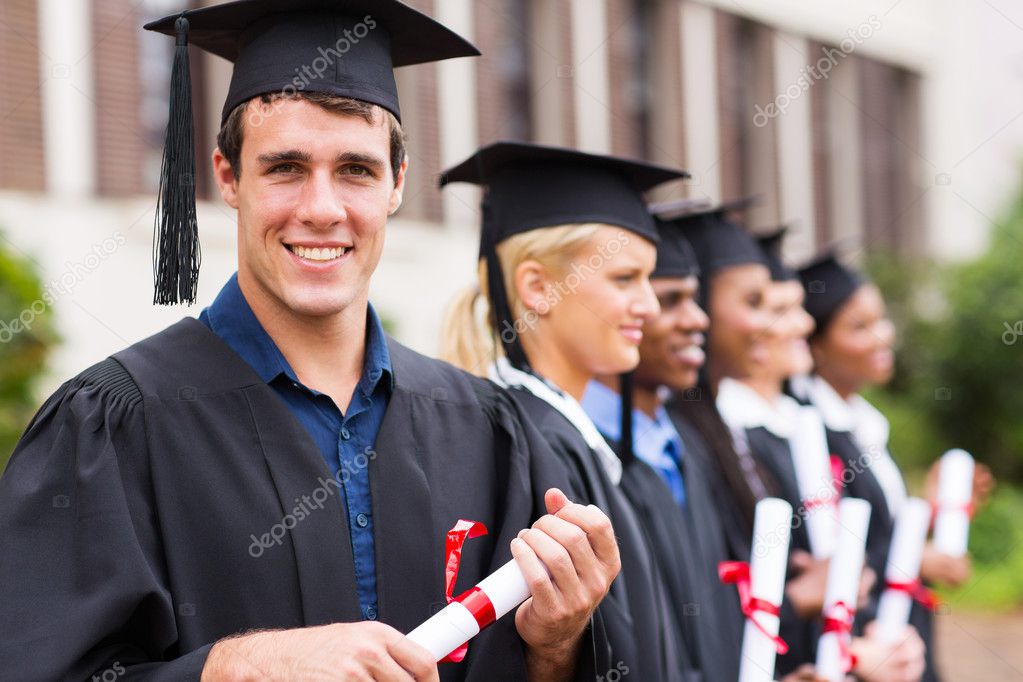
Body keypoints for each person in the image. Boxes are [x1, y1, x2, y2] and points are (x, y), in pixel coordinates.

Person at [0, 3, 621, 680]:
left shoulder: (483, 428)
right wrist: (233, 667)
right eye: (286, 168)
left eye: (355, 169)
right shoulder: (113, 425)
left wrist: (554, 647)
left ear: (396, 185)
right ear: (228, 177)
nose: (322, 209)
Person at [440, 141, 698, 681]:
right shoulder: (523, 441)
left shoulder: (567, 434)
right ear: (537, 287)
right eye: (625, 279)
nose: (649, 305)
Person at [665, 204, 925, 681]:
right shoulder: (684, 445)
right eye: (760, 304)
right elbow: (692, 608)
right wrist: (802, 600)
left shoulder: (772, 433)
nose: (798, 324)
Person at [795, 253, 996, 682]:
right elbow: (830, 555)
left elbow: (878, 532)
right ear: (815, 344)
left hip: (901, 640)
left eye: (881, 319)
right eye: (859, 326)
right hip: (861, 648)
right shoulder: (808, 433)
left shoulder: (862, 423)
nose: (884, 335)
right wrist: (916, 558)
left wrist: (931, 512)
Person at [579, 211, 748, 682]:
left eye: (695, 299)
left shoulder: (688, 446)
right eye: (671, 300)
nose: (697, 320)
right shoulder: (583, 454)